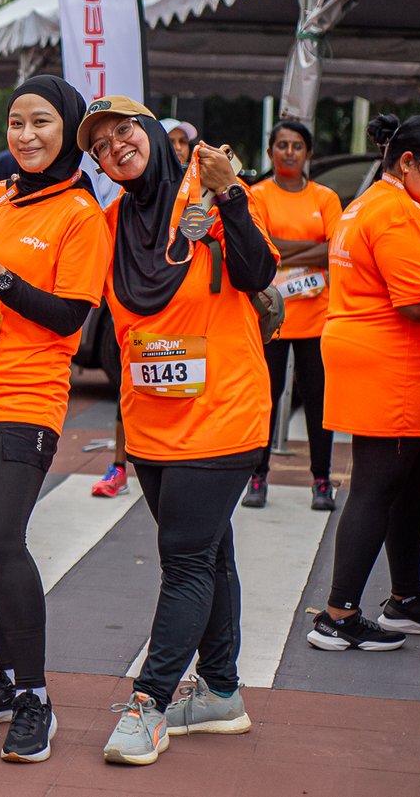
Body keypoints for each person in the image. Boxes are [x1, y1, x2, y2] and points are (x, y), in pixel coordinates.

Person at [80, 97, 276, 766]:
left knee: (186, 560)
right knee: (210, 554)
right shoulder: (111, 221)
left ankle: (149, 702)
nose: (115, 146)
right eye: (100, 145)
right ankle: (220, 691)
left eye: (124, 130)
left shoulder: (210, 191)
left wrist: (232, 196)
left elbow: (257, 272)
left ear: (152, 133)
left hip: (222, 412)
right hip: (152, 422)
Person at [0, 77, 111, 764]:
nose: (26, 134)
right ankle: (9, 680)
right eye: (16, 122)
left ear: (69, 132)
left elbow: (69, 317)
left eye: (41, 122)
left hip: (25, 397)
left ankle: (36, 696)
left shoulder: (80, 213)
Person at [308, 114, 420, 653]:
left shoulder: (374, 202)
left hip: (383, 358)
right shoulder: (395, 212)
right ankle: (338, 615)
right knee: (376, 486)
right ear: (407, 161)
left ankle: (405, 599)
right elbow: (419, 302)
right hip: (392, 364)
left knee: (412, 479)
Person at [244, 120, 341, 510]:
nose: (288, 152)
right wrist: (309, 249)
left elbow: (334, 249)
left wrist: (282, 250)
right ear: (270, 152)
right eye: (281, 145)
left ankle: (321, 480)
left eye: (296, 146)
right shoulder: (257, 195)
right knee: (265, 398)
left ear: (308, 153)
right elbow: (258, 246)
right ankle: (257, 476)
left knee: (318, 400)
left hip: (317, 317)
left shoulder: (325, 197)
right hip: (269, 317)